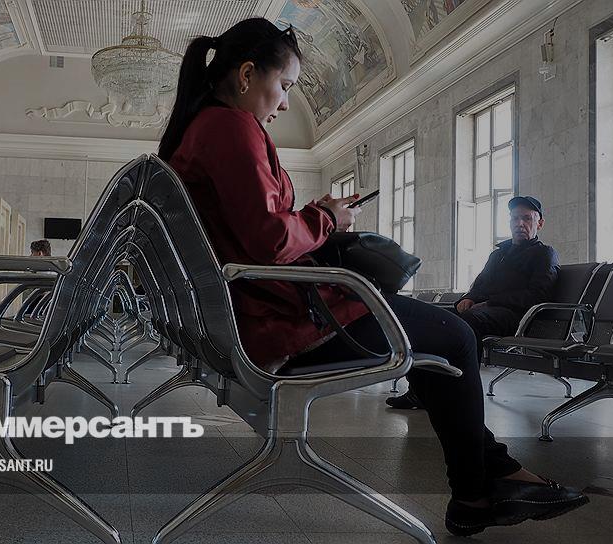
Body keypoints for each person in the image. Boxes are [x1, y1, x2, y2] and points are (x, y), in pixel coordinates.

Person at [160, 18, 586, 536]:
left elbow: (252, 230)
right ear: (248, 75)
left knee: (434, 337)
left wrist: (316, 219)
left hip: (253, 315)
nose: (286, 103)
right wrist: (326, 218)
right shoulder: (231, 127)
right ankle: (478, 491)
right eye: (285, 85)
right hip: (285, 322)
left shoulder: (200, 130)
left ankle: (491, 476)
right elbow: (269, 239)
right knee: (453, 336)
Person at [388, 196, 559, 410]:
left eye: (527, 218)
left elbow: (538, 295)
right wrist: (467, 298)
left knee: (469, 321)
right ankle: (419, 392)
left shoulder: (544, 254)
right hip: (487, 312)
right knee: (429, 320)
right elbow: (479, 284)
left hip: (518, 316)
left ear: (539, 223)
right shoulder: (498, 255)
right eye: (515, 218)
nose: (520, 223)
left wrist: (490, 302)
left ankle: (459, 396)